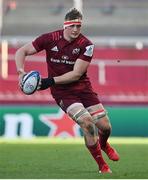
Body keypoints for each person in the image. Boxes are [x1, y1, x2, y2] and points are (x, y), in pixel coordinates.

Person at [15, 8, 119, 173]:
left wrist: (49, 81)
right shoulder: (49, 39)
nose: (76, 29)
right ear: (65, 25)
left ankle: (104, 144)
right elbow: (22, 51)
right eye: (72, 26)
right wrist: (21, 72)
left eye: (79, 26)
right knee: (87, 123)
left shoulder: (86, 45)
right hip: (63, 93)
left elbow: (76, 74)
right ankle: (102, 166)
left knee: (105, 127)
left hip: (83, 89)